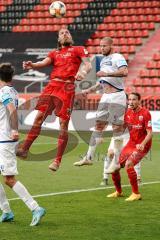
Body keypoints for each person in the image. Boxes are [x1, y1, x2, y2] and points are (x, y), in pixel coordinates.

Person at [16, 28, 92, 171]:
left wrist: (82, 72)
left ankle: (57, 161)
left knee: (63, 124)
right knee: (38, 117)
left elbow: (88, 64)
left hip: (67, 88)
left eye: (67, 32)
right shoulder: (54, 53)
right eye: (62, 33)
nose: (65, 34)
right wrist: (32, 65)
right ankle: (25, 149)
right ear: (58, 39)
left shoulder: (78, 49)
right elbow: (43, 63)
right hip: (51, 87)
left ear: (71, 37)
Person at [74, 37, 128, 173]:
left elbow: (124, 72)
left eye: (104, 46)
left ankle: (116, 162)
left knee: (117, 128)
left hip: (117, 96)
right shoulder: (103, 60)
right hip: (105, 96)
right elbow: (102, 80)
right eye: (100, 46)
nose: (101, 48)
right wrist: (89, 90)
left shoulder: (117, 57)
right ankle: (88, 157)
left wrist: (107, 73)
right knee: (98, 125)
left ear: (111, 45)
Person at [0, 63, 45, 226]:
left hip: (5, 140)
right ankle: (6, 211)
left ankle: (35, 208)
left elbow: (11, 110)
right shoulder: (12, 90)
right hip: (2, 139)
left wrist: (13, 130)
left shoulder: (5, 92)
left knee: (9, 179)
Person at [107, 92, 152, 201]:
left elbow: (150, 133)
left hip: (142, 145)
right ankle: (119, 191)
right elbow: (122, 128)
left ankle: (136, 194)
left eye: (134, 100)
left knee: (129, 164)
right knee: (116, 167)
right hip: (131, 143)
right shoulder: (127, 113)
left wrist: (142, 144)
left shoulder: (145, 113)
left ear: (139, 101)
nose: (131, 102)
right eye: (130, 100)